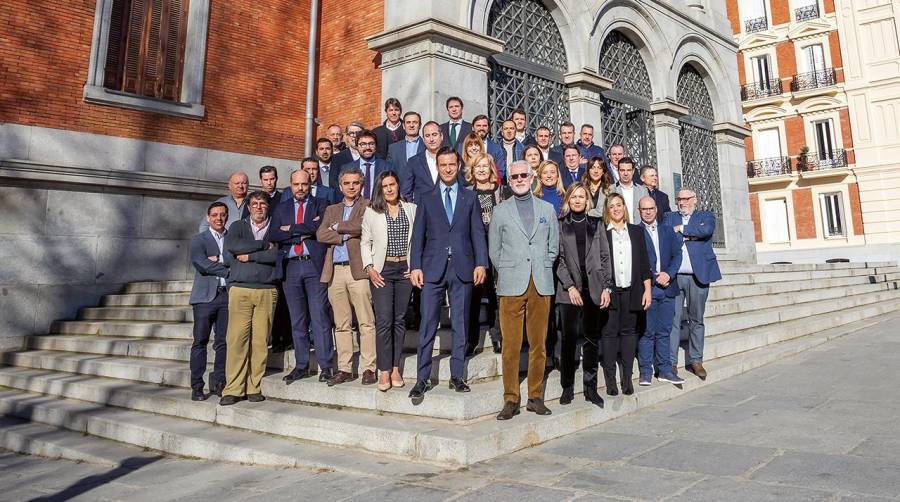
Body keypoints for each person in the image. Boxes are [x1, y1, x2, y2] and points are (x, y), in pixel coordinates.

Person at [408, 147, 488, 400]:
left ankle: (457, 375)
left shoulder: (469, 196)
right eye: (443, 165)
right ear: (438, 167)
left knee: (461, 325)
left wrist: (481, 263)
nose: (448, 169)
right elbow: (418, 235)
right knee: (428, 323)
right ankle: (422, 378)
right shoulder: (427, 196)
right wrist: (416, 266)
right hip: (432, 268)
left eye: (452, 164)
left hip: (463, 267)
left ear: (458, 165)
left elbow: (477, 233)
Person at [489, 160, 559, 420]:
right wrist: (510, 269)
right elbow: (494, 251)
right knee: (511, 345)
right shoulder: (500, 211)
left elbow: (554, 246)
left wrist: (541, 265)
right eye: (514, 176)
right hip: (510, 283)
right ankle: (510, 398)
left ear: (532, 177)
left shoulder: (547, 209)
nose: (519, 179)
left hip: (540, 282)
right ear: (509, 181)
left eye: (523, 175)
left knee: (538, 344)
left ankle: (535, 396)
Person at [269, 169, 336, 385]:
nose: (300, 188)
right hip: (290, 267)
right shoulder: (282, 207)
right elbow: (274, 234)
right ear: (290, 185)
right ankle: (301, 365)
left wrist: (291, 229)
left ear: (310, 184)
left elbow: (319, 228)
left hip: (313, 266)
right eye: (296, 184)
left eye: (304, 184)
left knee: (320, 317)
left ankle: (326, 366)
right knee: (297, 320)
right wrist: (303, 230)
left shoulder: (321, 204)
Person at [219, 191, 282, 405]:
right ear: (248, 207)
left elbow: (278, 255)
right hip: (240, 289)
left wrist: (252, 256)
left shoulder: (275, 228)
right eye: (254, 204)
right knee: (237, 340)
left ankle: (253, 386)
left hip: (266, 290)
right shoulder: (237, 227)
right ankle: (233, 388)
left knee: (260, 341)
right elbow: (234, 247)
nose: (258, 207)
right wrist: (264, 246)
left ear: (268, 206)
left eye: (262, 204)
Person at [317, 167, 377, 386]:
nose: (351, 186)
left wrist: (338, 227)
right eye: (347, 183)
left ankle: (369, 367)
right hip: (335, 271)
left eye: (355, 183)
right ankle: (344, 368)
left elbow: (363, 226)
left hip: (359, 270)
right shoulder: (332, 209)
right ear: (340, 186)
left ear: (361, 185)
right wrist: (344, 234)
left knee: (366, 321)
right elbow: (321, 234)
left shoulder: (367, 205)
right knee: (341, 323)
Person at [555, 183, 611, 408]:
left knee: (591, 340)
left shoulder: (596, 224)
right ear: (568, 199)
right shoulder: (560, 225)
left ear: (587, 200)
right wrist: (569, 286)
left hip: (594, 289)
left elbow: (605, 257)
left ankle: (590, 388)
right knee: (568, 341)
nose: (578, 200)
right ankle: (567, 386)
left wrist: (608, 287)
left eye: (581, 197)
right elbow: (557, 259)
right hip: (569, 291)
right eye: (574, 197)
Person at [361, 171, 417, 391]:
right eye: (385, 186)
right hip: (382, 271)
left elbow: (418, 240)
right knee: (384, 321)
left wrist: (415, 266)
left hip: (404, 271)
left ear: (398, 185)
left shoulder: (411, 209)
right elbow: (365, 242)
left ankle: (395, 367)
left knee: (399, 320)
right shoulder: (372, 212)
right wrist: (369, 267)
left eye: (392, 184)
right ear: (380, 189)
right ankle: (384, 370)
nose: (390, 189)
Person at [666, 188, 722, 380]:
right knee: (672, 320)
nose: (682, 203)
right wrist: (691, 236)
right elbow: (666, 237)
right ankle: (671, 363)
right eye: (679, 199)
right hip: (675, 277)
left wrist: (682, 230)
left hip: (698, 275)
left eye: (685, 199)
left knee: (696, 319)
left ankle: (696, 360)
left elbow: (705, 231)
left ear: (694, 200)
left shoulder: (705, 216)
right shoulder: (669, 217)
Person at [601, 193, 651, 396]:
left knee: (629, 333)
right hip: (610, 292)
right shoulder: (603, 232)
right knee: (610, 334)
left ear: (624, 207)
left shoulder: (637, 232)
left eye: (619, 205)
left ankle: (627, 378)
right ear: (607, 210)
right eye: (611, 206)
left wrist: (647, 289)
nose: (616, 209)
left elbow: (644, 263)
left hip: (632, 290)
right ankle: (611, 379)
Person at [637, 196, 685, 386]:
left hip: (667, 288)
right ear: (639, 211)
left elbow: (677, 254)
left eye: (651, 208)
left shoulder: (667, 230)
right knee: (647, 332)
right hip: (648, 288)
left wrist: (669, 274)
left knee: (664, 331)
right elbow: (637, 260)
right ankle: (646, 372)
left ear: (656, 209)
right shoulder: (636, 232)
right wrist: (654, 276)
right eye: (644, 209)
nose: (648, 212)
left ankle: (665, 370)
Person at [465, 152, 509, 354]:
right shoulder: (466, 193)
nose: (482, 169)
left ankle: (497, 336)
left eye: (485, 166)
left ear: (491, 168)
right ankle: (471, 339)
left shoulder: (503, 192)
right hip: (474, 250)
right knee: (473, 295)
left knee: (497, 295)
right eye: (477, 166)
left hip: (499, 249)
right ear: (472, 171)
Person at [188, 202, 231, 401]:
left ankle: (220, 383)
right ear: (208, 217)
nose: (218, 218)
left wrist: (218, 259)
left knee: (223, 342)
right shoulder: (199, 240)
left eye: (222, 215)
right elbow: (202, 264)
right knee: (200, 342)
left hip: (227, 296)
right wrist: (228, 268)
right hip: (204, 298)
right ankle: (197, 386)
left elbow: (237, 260)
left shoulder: (233, 238)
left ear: (227, 217)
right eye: (214, 215)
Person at [403, 121, 464, 202]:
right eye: (427, 136)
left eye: (434, 135)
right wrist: (414, 210)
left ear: (441, 136)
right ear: (424, 139)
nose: (431, 139)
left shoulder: (454, 158)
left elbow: (462, 185)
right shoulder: (414, 162)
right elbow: (406, 192)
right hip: (422, 211)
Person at [339, 129, 392, 200]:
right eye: (363, 144)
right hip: (356, 208)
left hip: (380, 207)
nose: (367, 147)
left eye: (371, 144)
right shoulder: (347, 168)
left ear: (376, 146)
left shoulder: (387, 167)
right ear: (357, 147)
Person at [386, 111, 424, 184]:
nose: (411, 125)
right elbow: (390, 173)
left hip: (423, 191)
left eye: (415, 122)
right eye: (408, 122)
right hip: (401, 191)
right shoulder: (393, 149)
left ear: (420, 125)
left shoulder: (427, 146)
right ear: (403, 126)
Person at [612, 157, 649, 224]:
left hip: (638, 230)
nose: (625, 173)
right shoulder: (610, 190)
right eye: (622, 170)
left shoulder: (643, 191)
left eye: (628, 170)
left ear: (633, 171)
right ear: (618, 171)